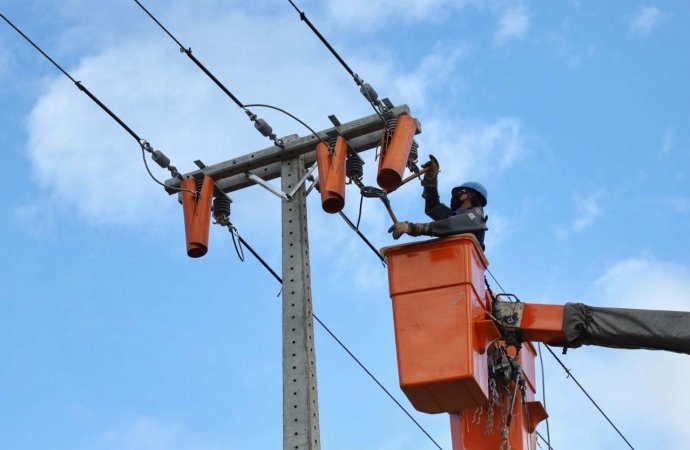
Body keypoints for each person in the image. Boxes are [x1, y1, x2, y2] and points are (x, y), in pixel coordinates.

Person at [388, 155, 489, 249]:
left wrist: (412, 228)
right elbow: (434, 207)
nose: (454, 196)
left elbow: (450, 225)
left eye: (458, 193)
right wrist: (430, 180)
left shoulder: (475, 216)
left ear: (467, 195)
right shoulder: (458, 217)